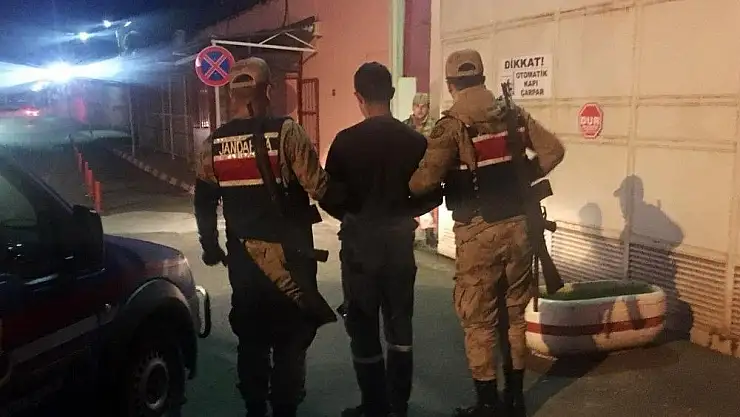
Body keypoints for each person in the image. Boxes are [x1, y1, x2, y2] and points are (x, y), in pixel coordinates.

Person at [407, 49, 565, 417]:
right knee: (514, 314)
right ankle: (516, 400)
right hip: (520, 227)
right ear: (481, 77)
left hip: (478, 232)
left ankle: (487, 404)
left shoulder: (452, 124)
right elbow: (553, 151)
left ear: (452, 84)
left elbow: (423, 181)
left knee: (478, 319)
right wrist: (521, 179)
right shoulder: (512, 114)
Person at [194, 57, 345, 417]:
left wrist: (211, 247)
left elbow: (203, 201)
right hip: (290, 257)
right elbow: (319, 187)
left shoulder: (214, 144)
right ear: (269, 91)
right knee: (291, 335)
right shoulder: (287, 133)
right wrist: (356, 211)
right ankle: (285, 407)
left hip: (243, 261)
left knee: (251, 336)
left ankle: (254, 406)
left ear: (231, 95)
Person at [320, 62, 442, 417]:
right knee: (400, 327)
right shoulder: (415, 141)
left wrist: (352, 215)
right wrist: (408, 211)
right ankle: (398, 405)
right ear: (391, 94)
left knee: (362, 327)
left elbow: (328, 195)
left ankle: (374, 406)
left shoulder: (345, 142)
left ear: (358, 97)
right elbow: (432, 192)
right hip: (400, 247)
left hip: (359, 248)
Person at [404, 92, 439, 249]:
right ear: (412, 107)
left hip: (427, 168)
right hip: (410, 169)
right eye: (417, 106)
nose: (420, 110)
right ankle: (410, 232)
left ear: (428, 108)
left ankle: (430, 233)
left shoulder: (435, 126)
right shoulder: (405, 125)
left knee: (427, 201)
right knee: (409, 202)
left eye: (423, 106)